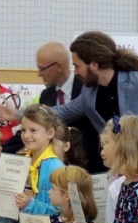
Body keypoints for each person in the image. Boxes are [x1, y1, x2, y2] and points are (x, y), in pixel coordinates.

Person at [22, 32, 138, 147]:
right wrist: (20, 114)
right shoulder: (88, 94)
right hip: (120, 172)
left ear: (94, 65)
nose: (76, 72)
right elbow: (61, 112)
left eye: (77, 66)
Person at [36, 42, 103, 174]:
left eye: (42, 68)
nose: (39, 74)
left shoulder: (88, 89)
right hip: (57, 172)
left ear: (58, 66)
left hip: (92, 170)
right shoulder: (46, 95)